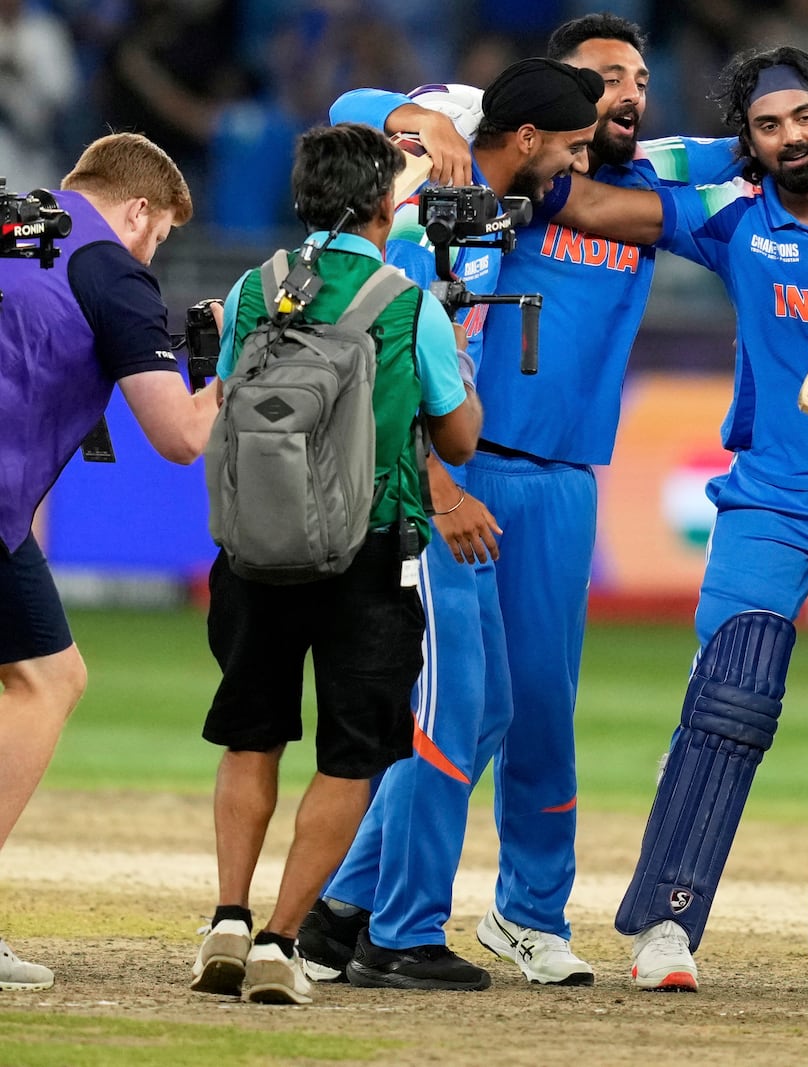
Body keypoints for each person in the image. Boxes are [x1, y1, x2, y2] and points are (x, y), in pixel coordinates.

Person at [307, 14, 744, 989]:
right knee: (452, 710)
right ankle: (389, 920)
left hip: (557, 478)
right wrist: (428, 120)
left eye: (635, 80)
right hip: (452, 472)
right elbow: (347, 110)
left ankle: (409, 908)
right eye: (598, 83)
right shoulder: (458, 173)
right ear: (540, 107)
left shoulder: (638, 183)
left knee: (515, 707)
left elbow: (755, 142)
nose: (621, 97)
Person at [545, 45, 808, 994]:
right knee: (731, 695)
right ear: (751, 144)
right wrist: (495, 153)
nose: (789, 137)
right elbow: (593, 204)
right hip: (769, 494)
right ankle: (663, 926)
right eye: (767, 126)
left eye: (803, 118)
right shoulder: (732, 217)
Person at [189, 122, 481, 1006]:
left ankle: (228, 918)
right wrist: (454, 348)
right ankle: (283, 936)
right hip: (369, 548)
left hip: (254, 548)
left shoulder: (255, 286)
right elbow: (460, 440)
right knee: (353, 754)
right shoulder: (408, 301)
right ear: (385, 201)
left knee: (252, 733)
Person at [0, 132, 214, 991]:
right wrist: (246, 364)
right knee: (48, 681)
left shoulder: (16, 220)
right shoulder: (110, 267)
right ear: (137, 211)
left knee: (50, 672)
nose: (152, 253)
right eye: (158, 235)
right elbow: (179, 435)